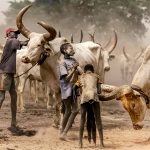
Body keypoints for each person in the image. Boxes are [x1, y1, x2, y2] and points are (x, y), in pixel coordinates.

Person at [76, 64, 117, 148]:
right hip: (94, 97)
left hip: (84, 98)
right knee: (98, 119)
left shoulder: (81, 77)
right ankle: (101, 143)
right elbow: (99, 90)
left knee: (82, 119)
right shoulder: (97, 76)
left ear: (85, 70)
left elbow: (75, 87)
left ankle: (80, 143)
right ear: (92, 70)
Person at [0, 28, 28, 132]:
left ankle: (13, 124)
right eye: (14, 32)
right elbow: (23, 43)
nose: (16, 34)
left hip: (9, 73)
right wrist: (33, 39)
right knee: (1, 97)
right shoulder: (11, 41)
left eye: (16, 33)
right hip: (4, 73)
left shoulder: (12, 42)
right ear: (8, 34)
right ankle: (13, 123)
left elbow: (22, 44)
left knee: (14, 96)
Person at [58, 42, 83, 140]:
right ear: (64, 50)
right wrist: (74, 69)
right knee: (73, 110)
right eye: (70, 48)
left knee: (69, 111)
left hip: (73, 88)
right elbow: (66, 79)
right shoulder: (62, 63)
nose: (73, 50)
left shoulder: (74, 60)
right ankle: (63, 133)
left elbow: (81, 72)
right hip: (66, 89)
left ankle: (62, 132)